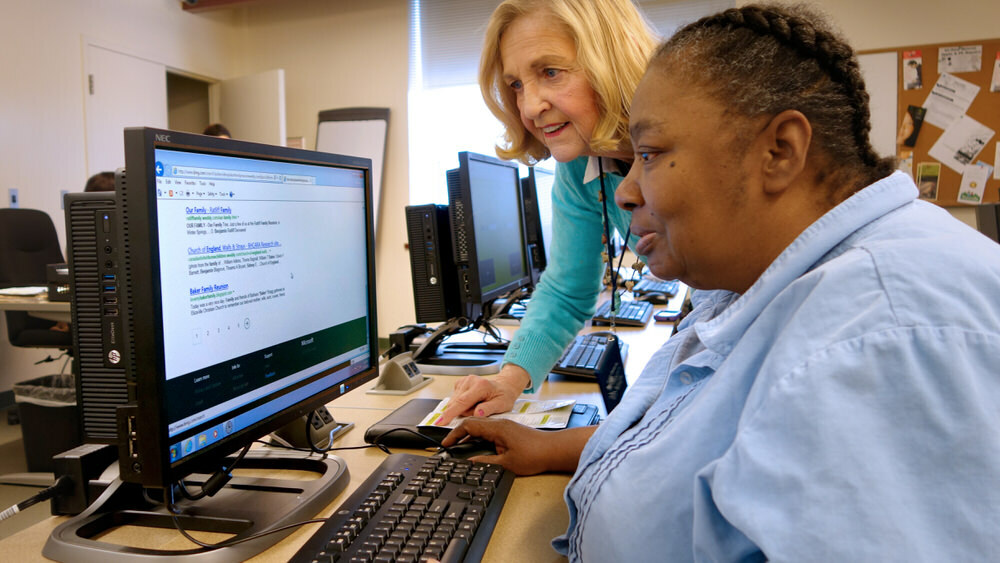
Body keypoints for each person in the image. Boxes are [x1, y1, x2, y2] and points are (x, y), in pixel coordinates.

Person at [443, 4, 1000, 560]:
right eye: (516, 84)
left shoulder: (884, 334)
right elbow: (701, 433)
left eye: (651, 154)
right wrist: (541, 427)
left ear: (778, 152)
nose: (625, 193)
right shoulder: (757, 280)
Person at [437, 0, 658, 425]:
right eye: (517, 84)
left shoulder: (692, 135)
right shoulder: (580, 165)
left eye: (550, 72)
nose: (530, 106)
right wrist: (510, 378)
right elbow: (567, 288)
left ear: (610, 59)